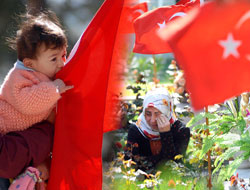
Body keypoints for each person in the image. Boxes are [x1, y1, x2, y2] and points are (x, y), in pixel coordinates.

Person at [0, 11, 72, 189]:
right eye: (54, 58)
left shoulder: (42, 74)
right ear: (30, 63)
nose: (61, 63)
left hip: (23, 139)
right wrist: (54, 89)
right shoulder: (19, 76)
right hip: (6, 132)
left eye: (63, 56)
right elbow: (27, 102)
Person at [125, 88, 190, 171]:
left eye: (158, 113)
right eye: (148, 114)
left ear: (167, 112)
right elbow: (131, 163)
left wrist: (165, 134)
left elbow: (173, 165)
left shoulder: (180, 131)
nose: (152, 120)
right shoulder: (136, 130)